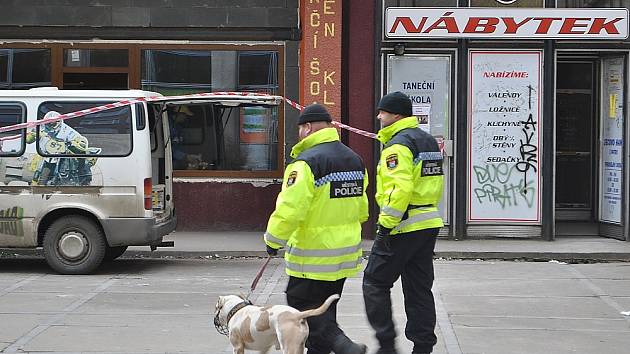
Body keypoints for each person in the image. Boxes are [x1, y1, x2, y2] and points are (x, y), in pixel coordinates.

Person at [264, 104, 368, 354]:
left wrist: (273, 239)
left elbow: (291, 208)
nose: (299, 134)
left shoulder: (306, 163)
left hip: (313, 254)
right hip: (344, 255)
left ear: (307, 127)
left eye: (300, 129)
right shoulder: (354, 159)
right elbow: (362, 209)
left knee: (300, 306)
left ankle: (344, 346)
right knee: (325, 308)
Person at [363, 92, 444, 354]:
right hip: (427, 221)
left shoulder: (398, 145)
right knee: (419, 288)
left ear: (396, 115)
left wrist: (385, 225)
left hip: (402, 224)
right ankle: (423, 348)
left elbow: (400, 188)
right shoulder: (428, 140)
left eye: (382, 112)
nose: (378, 117)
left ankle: (387, 345)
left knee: (374, 282)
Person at [26, 111, 96, 186]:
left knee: (79, 160)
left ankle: (84, 178)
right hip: (45, 153)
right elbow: (28, 140)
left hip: (61, 152)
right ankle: (34, 182)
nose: (50, 125)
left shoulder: (66, 130)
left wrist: (76, 142)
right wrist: (32, 135)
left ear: (59, 122)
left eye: (52, 123)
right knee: (33, 163)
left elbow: (81, 140)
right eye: (48, 122)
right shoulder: (41, 127)